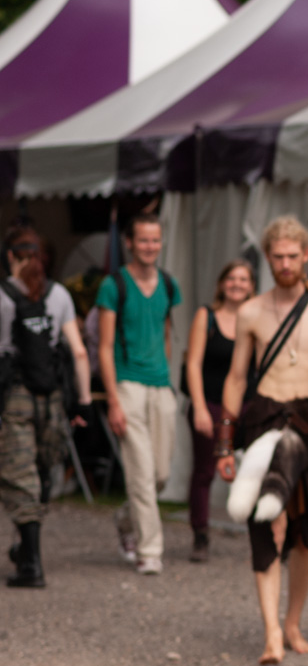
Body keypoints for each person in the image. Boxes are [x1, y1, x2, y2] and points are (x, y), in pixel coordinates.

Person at [217, 216, 308, 666]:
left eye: (292, 256)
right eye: (277, 256)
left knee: (306, 530)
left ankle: (293, 623)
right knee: (267, 525)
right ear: (267, 258)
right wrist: (224, 445)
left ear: (306, 255)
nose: (285, 264)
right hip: (266, 416)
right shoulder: (251, 311)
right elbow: (236, 378)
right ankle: (271, 634)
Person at [1, 227, 92, 588]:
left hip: (15, 396)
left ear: (10, 255)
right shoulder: (59, 294)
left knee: (19, 472)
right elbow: (79, 352)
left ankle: (31, 564)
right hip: (52, 398)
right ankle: (26, 549)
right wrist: (84, 402)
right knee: (40, 471)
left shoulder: (3, 296)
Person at [96, 210, 181, 575]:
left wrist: (166, 374)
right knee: (141, 472)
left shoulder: (168, 284)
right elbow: (104, 346)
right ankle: (150, 551)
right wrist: (113, 400)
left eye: (155, 240)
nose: (150, 246)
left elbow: (166, 334)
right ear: (129, 243)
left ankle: (125, 520)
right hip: (127, 384)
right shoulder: (114, 285)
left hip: (160, 385)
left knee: (160, 474)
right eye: (143, 240)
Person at [182, 259, 254, 563]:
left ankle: (267, 533)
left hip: (246, 406)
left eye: (243, 279)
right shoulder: (207, 316)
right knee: (205, 471)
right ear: (222, 284)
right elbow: (193, 363)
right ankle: (200, 533)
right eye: (232, 278)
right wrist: (198, 406)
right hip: (210, 403)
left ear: (251, 286)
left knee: (257, 468)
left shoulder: (255, 318)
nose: (237, 284)